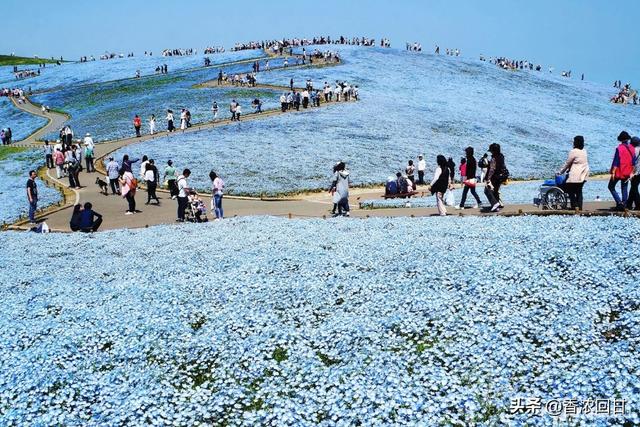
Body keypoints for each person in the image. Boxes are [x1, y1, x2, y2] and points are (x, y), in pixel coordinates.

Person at [558, 135, 590, 211]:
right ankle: (580, 207)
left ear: (575, 142)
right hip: (584, 174)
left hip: (576, 174)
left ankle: (574, 206)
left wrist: (560, 172)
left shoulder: (573, 152)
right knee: (579, 190)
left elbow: (567, 163)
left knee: (570, 189)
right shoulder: (584, 151)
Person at [608, 131, 636, 210]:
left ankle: (619, 202)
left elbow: (616, 161)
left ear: (620, 139)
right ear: (628, 139)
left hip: (619, 171)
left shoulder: (619, 148)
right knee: (624, 188)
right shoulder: (632, 148)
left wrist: (613, 172)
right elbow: (633, 162)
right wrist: (632, 172)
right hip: (628, 171)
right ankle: (624, 204)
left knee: (611, 187)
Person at [484, 143, 508, 212]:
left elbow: (492, 169)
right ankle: (498, 205)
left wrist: (488, 178)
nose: (491, 152)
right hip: (502, 176)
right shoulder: (501, 156)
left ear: (494, 151)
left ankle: (495, 204)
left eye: (491, 150)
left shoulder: (494, 158)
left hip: (495, 176)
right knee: (495, 191)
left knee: (487, 190)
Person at [627, 137, 640, 210]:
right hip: (638, 171)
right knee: (633, 187)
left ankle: (638, 204)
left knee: (634, 188)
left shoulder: (634, 150)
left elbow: (632, 162)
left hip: (636, 171)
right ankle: (629, 203)